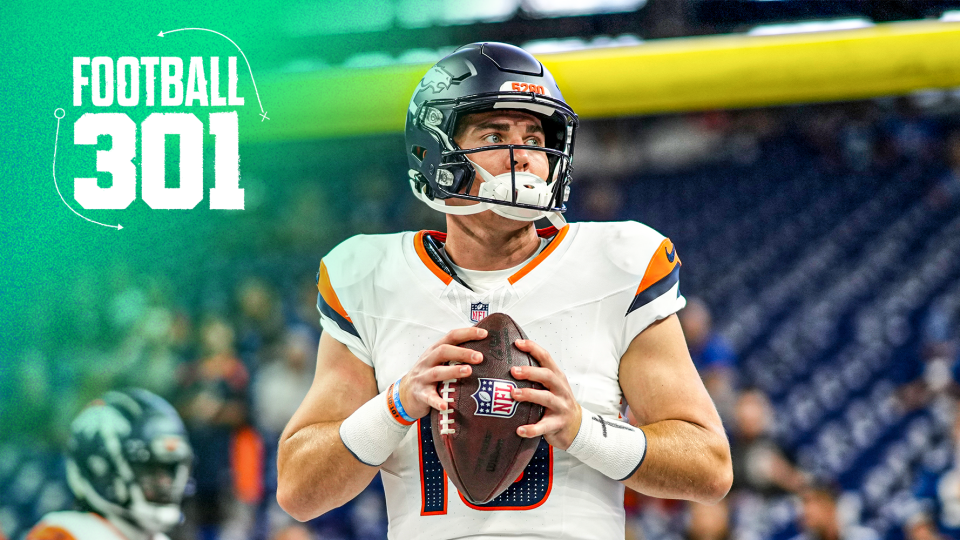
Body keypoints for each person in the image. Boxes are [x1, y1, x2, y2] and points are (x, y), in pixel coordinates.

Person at [277, 42, 732, 539]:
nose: (526, 158)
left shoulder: (617, 264)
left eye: (535, 137)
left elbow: (710, 467)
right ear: (436, 152)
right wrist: (396, 405)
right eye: (495, 135)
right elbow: (298, 490)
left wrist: (582, 430)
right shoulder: (369, 276)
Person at [27, 388, 193, 540]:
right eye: (150, 470)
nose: (165, 482)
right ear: (101, 469)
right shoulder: (64, 534)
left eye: (169, 470)